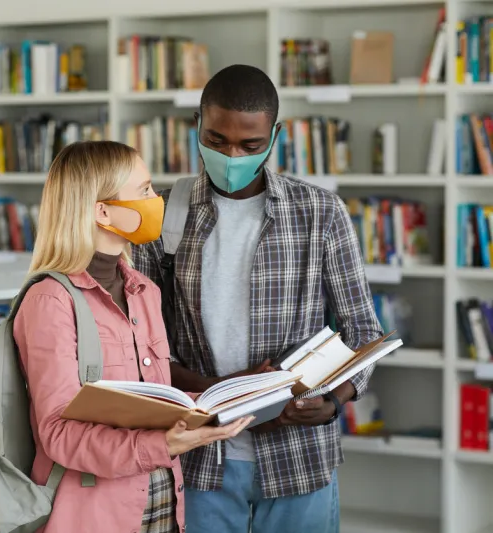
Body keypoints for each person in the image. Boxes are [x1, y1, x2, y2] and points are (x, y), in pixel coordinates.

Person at [132, 64, 384, 533]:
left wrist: (334, 400)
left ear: (275, 135)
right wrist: (224, 396)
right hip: (199, 456)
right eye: (216, 140)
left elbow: (364, 333)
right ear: (196, 126)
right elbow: (142, 349)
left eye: (250, 146)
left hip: (299, 457)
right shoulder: (161, 215)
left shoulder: (320, 213)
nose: (232, 156)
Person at [13, 140, 254, 533]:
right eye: (143, 192)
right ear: (103, 211)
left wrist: (215, 403)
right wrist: (165, 445)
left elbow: (153, 402)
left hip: (163, 507)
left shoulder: (145, 291)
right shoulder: (50, 301)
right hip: (93, 516)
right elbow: (57, 433)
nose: (156, 201)